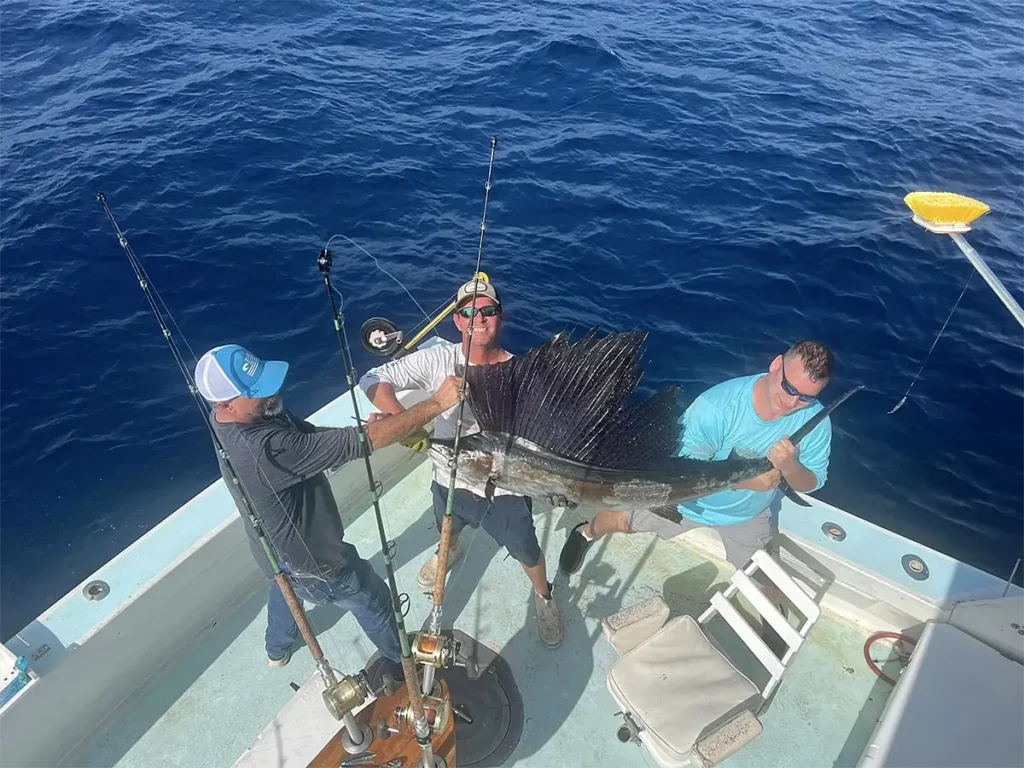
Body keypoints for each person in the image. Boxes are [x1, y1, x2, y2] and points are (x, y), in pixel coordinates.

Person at [194, 343, 462, 673]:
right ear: (226, 403)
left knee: (283, 585)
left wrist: (369, 430)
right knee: (373, 597)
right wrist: (435, 403)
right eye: (258, 390)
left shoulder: (230, 420)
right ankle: (402, 661)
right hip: (317, 564)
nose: (273, 391)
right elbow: (355, 445)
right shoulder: (265, 450)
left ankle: (276, 649)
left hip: (274, 553)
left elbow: (309, 440)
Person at [557, 340, 835, 647]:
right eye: (789, 388)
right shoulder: (717, 407)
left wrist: (791, 467)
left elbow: (813, 482)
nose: (792, 402)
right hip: (685, 501)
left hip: (746, 514)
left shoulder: (816, 421)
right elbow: (680, 473)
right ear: (775, 365)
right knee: (622, 521)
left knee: (762, 577)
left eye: (806, 398)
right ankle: (584, 532)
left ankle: (771, 619)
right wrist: (746, 482)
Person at [359, 278, 564, 649]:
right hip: (448, 477)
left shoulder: (520, 373)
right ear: (456, 321)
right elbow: (372, 377)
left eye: (487, 311)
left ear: (500, 318)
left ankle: (544, 595)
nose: (478, 318)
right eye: (468, 312)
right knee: (446, 528)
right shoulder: (440, 359)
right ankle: (448, 550)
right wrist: (403, 420)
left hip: (505, 488)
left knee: (527, 551)